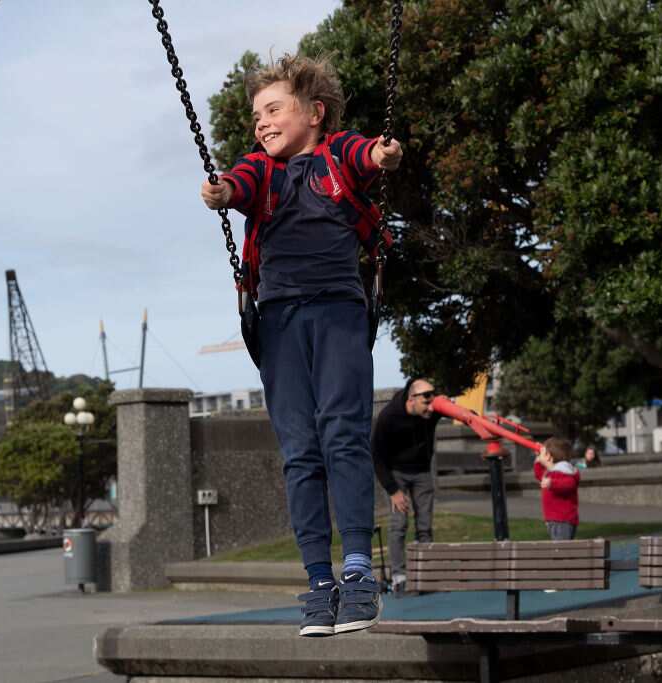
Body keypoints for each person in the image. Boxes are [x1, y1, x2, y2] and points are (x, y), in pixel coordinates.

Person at [200, 54, 403, 637]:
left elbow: (369, 155)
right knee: (299, 450)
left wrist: (384, 153)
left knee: (342, 432)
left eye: (274, 108)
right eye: (255, 114)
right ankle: (319, 580)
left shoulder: (339, 155)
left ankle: (360, 572)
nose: (261, 122)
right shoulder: (260, 171)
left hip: (338, 312)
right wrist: (217, 194)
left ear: (314, 113)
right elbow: (234, 185)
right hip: (280, 321)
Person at [371, 378, 443, 594]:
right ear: (412, 398)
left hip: (422, 472)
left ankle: (426, 577)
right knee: (399, 525)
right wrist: (393, 491)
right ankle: (399, 577)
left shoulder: (430, 412)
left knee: (425, 526)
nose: (431, 406)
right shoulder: (389, 417)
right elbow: (377, 456)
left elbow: (458, 412)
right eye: (426, 400)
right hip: (397, 473)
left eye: (433, 398)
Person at [533, 437, 580, 540]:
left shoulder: (562, 471)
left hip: (562, 520)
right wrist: (538, 459)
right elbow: (539, 475)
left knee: (560, 549)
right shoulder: (552, 471)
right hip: (556, 519)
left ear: (548, 457)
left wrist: (552, 483)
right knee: (560, 548)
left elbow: (569, 484)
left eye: (542, 454)